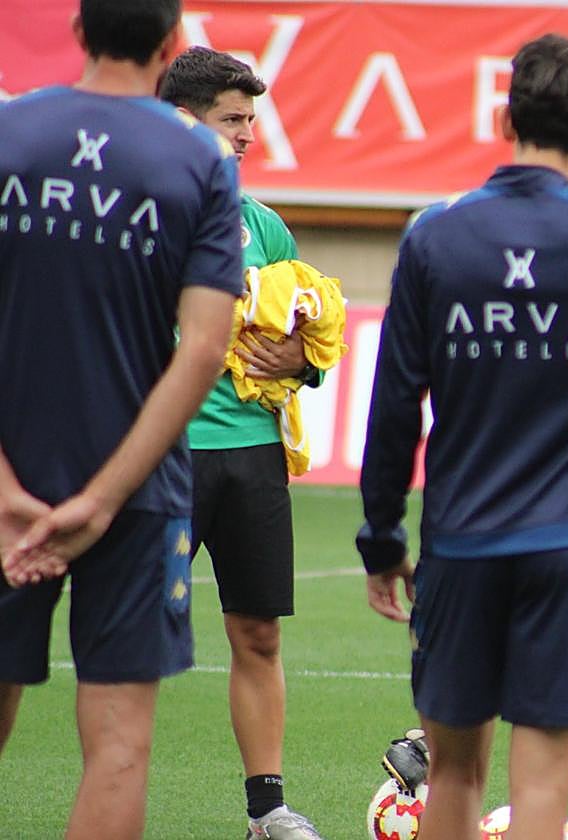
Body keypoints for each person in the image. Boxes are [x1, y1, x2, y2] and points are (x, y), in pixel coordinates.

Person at [356, 33, 568, 840]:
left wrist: (380, 538)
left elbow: (395, 400)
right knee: (542, 788)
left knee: (454, 778)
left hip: (461, 541)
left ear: (505, 115)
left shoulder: (434, 232)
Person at [0, 1, 244, 837]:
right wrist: (103, 499)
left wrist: (5, 491)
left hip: (5, 493)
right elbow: (206, 349)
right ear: (173, 46)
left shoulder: (8, 132)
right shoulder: (202, 159)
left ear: (79, 32)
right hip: (137, 498)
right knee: (119, 748)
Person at [159, 47, 328, 840]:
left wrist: (302, 359)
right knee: (132, 634)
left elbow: (306, 332)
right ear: (182, 124)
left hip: (254, 452)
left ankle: (268, 811)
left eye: (253, 120)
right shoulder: (145, 214)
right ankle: (112, 791)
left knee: (258, 632)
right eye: (233, 120)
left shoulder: (264, 225)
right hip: (164, 452)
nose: (248, 136)